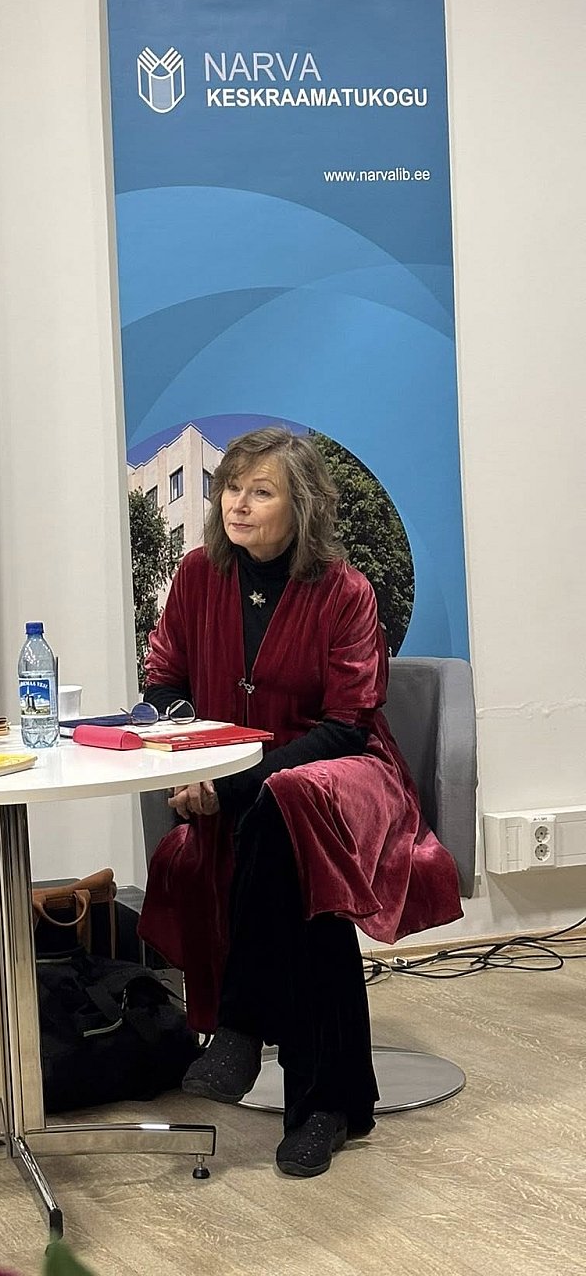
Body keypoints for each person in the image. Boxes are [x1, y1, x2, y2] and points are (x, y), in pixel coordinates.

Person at [137, 428, 462, 1178]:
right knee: (298, 871)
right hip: (247, 788)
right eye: (232, 487)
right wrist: (194, 764)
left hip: (348, 777)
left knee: (287, 800)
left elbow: (348, 724)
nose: (237, 504)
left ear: (303, 505)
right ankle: (329, 1107)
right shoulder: (197, 576)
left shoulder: (345, 592)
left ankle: (242, 1025)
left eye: (261, 491)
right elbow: (164, 686)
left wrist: (230, 785)